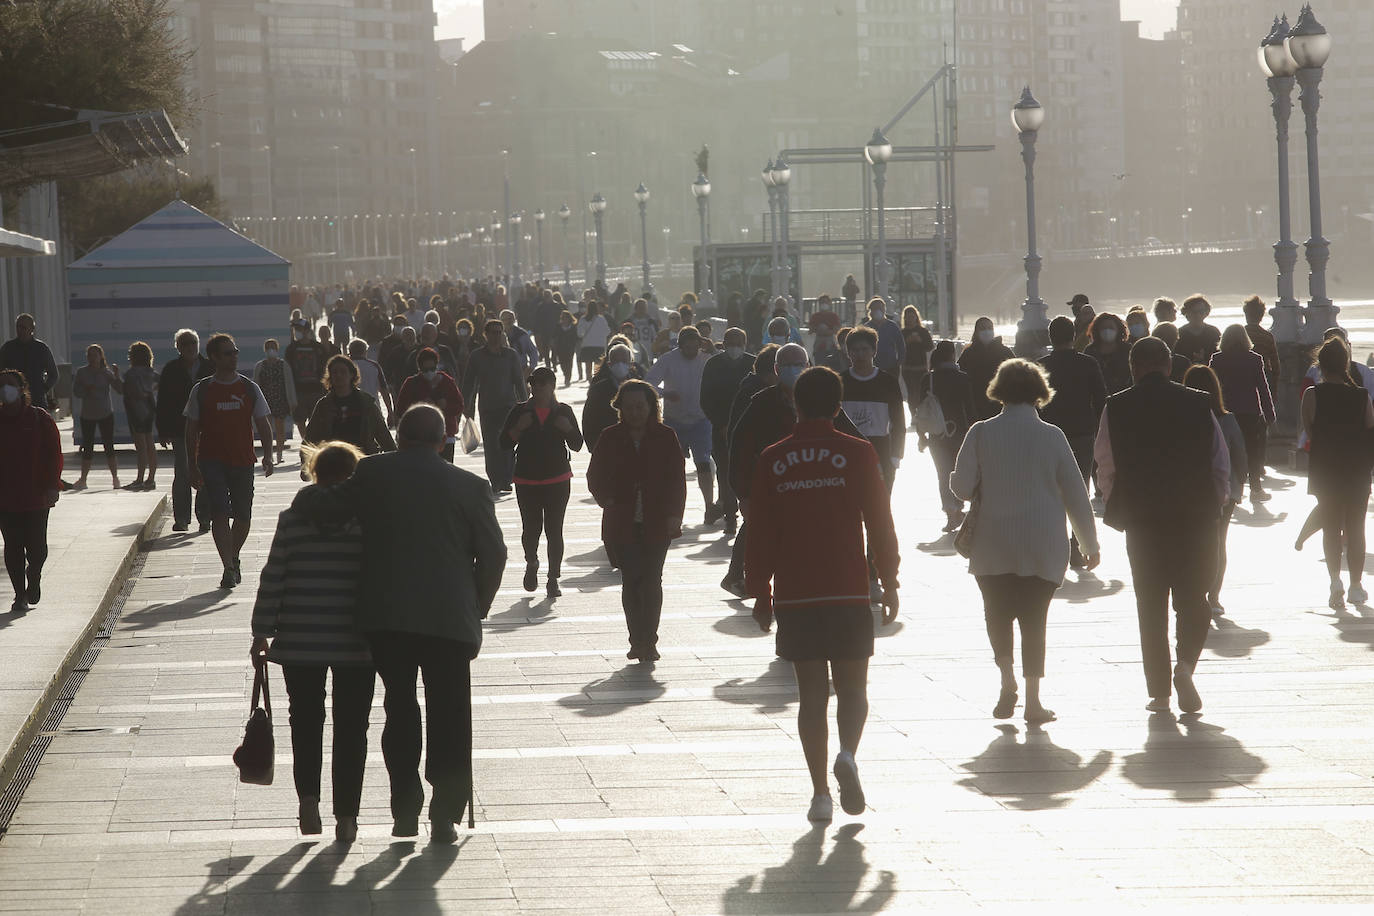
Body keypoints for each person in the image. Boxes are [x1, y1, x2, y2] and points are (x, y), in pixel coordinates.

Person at [293, 404, 506, 842]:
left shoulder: (371, 473)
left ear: (400, 436)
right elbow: (495, 555)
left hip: (387, 615)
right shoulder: (471, 485)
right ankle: (445, 811)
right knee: (450, 713)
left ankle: (404, 809)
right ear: (442, 440)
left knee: (400, 708)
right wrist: (478, 604)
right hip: (450, 618)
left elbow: (323, 506)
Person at [745, 366, 899, 823]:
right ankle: (848, 754)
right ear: (838, 406)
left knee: (812, 696)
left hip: (797, 593)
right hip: (848, 589)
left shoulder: (773, 458)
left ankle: (819, 796)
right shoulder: (857, 452)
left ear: (796, 403)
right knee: (854, 688)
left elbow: (761, 532)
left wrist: (760, 590)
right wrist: (888, 578)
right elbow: (879, 521)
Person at [951, 359, 1100, 724]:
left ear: (998, 390)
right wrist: (1089, 544)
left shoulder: (980, 433)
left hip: (992, 542)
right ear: (1039, 392)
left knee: (997, 614)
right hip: (1043, 542)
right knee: (1035, 620)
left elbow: (960, 488)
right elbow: (1076, 494)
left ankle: (1007, 680)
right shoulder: (1052, 436)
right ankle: (1033, 702)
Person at [1094, 338, 1229, 714]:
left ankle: (1159, 691)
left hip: (1143, 520)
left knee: (1150, 605)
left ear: (1134, 367)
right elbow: (1220, 462)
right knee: (1193, 599)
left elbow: (1106, 464)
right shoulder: (1199, 402)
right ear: (1169, 365)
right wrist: (1214, 503)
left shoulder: (1116, 406)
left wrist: (1116, 503)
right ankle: (1185, 667)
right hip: (1196, 517)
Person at [251, 440, 375, 844]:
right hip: (356, 640)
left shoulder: (293, 518)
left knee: (305, 722)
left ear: (315, 473)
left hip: (301, 639)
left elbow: (274, 575)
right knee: (352, 727)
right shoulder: (368, 518)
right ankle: (347, 816)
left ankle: (308, 799)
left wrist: (261, 631)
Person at [586, 380, 687, 662]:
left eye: (640, 407)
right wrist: (606, 498)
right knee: (631, 580)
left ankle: (649, 640)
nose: (635, 412)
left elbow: (677, 479)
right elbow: (595, 475)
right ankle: (635, 639)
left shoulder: (666, 437)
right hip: (622, 521)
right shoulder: (609, 437)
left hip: (658, 521)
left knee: (652, 579)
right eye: (629, 407)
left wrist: (674, 516)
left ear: (651, 407)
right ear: (620, 409)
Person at [186, 333, 276, 590]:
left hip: (243, 461)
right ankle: (227, 566)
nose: (234, 356)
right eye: (228, 353)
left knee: (243, 516)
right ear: (214, 357)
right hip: (212, 460)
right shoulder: (202, 390)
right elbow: (191, 430)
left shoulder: (248, 387)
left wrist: (268, 455)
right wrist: (192, 466)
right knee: (220, 513)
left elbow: (263, 424)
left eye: (235, 351)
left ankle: (233, 555)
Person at [1301, 337, 1374, 610]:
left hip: (1325, 468)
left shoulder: (1313, 395)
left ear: (1320, 365)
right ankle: (1356, 585)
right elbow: (1370, 429)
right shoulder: (1361, 395)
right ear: (1345, 363)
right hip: (1356, 469)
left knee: (1331, 527)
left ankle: (1335, 581)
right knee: (1356, 528)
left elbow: (1309, 430)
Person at [500, 366, 583, 598]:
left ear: (552, 386)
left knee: (554, 530)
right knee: (531, 529)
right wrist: (519, 428)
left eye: (542, 383)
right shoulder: (519, 412)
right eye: (534, 383)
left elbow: (577, 444)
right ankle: (532, 562)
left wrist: (567, 429)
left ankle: (553, 578)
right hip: (526, 479)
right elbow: (503, 443)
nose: (537, 388)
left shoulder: (563, 411)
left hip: (557, 479)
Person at [1039, 317, 1107, 564]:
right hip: (1082, 434)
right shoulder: (1088, 364)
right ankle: (1078, 545)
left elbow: (1036, 404)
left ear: (1050, 337)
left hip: (1050, 436)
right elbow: (1101, 400)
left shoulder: (1041, 366)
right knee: (1080, 489)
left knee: (1053, 489)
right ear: (1073, 335)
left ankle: (1056, 543)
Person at [1182, 366, 1246, 616]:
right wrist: (1241, 483)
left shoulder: (1182, 418)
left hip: (1191, 490)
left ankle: (1195, 588)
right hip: (1225, 489)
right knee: (1219, 541)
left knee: (1194, 540)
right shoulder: (1227, 419)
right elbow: (1240, 454)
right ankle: (1214, 595)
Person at [0, 369, 61, 613]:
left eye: (11, 385)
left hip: (36, 496)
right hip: (5, 498)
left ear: (23, 388)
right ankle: (19, 595)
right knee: (13, 546)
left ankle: (33, 576)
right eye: (2, 385)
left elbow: (54, 454)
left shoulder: (39, 419)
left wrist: (52, 486)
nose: (6, 389)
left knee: (38, 549)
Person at [646, 326, 716, 523]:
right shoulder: (668, 359)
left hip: (700, 420)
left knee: (703, 463)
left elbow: (724, 369)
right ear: (681, 345)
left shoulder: (707, 358)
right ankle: (670, 507)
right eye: (688, 346)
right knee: (673, 467)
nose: (692, 350)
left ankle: (709, 506)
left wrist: (714, 351)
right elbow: (648, 382)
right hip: (673, 421)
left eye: (696, 346)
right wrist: (664, 393)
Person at [1209, 325, 1275, 503]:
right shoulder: (1254, 359)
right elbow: (1263, 388)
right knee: (1252, 451)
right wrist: (1269, 413)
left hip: (1225, 411)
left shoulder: (1217, 359)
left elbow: (1211, 387)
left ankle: (1230, 488)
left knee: (1227, 450)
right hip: (1250, 412)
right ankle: (1255, 488)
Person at [699, 328, 754, 537]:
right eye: (730, 342)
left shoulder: (753, 364)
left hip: (750, 429)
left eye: (739, 342)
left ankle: (752, 515)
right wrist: (720, 424)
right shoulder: (713, 365)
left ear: (745, 343)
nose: (734, 347)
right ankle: (730, 518)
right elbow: (705, 399)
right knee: (726, 473)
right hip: (721, 430)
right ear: (723, 343)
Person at [158, 330, 212, 532]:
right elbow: (162, 401)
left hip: (206, 429)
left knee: (205, 471)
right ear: (178, 347)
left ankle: (205, 517)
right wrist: (162, 430)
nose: (190, 347)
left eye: (193, 343)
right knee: (182, 472)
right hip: (180, 429)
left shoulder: (209, 367)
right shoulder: (171, 369)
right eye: (186, 344)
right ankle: (181, 518)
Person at [839, 326, 905, 492]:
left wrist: (896, 456)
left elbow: (898, 421)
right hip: (848, 451)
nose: (860, 354)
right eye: (855, 350)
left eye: (864, 349)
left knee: (880, 506)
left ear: (874, 351)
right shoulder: (840, 382)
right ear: (848, 353)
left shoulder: (888, 382)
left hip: (881, 451)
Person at [918, 339, 975, 532]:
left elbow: (921, 411)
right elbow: (970, 409)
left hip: (936, 435)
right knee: (959, 472)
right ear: (953, 355)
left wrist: (921, 436)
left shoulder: (929, 379)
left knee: (943, 474)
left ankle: (951, 512)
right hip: (960, 433)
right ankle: (959, 507)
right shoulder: (963, 378)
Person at [462, 320, 526, 490]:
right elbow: (469, 383)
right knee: (491, 446)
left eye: (499, 332)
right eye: (493, 332)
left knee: (508, 444)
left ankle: (507, 479)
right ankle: (496, 480)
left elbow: (519, 382)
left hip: (509, 407)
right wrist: (466, 405)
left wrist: (525, 404)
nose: (496, 336)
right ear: (486, 334)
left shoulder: (510, 355)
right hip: (488, 407)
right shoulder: (477, 356)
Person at [306, 355, 396, 456]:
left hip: (363, 460)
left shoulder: (366, 403)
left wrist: (394, 460)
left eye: (343, 372)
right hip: (332, 462)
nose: (338, 375)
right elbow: (310, 439)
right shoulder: (324, 405)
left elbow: (383, 434)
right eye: (334, 372)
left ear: (352, 375)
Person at [71, 344, 123, 490]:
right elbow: (76, 392)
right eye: (89, 355)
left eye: (94, 355)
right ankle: (83, 479)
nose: (92, 358)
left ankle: (115, 478)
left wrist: (117, 376)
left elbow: (119, 390)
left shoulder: (106, 373)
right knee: (88, 446)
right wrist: (85, 389)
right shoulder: (81, 372)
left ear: (101, 357)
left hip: (105, 413)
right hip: (87, 414)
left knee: (109, 446)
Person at [582, 342, 641, 451]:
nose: (620, 365)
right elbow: (589, 420)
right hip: (608, 448)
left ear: (631, 364)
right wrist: (594, 447)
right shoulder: (599, 389)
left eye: (624, 361)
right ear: (609, 364)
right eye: (616, 361)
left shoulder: (641, 387)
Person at [959, 316, 1015, 421]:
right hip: (976, 403)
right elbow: (961, 376)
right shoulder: (968, 353)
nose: (987, 331)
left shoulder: (1005, 351)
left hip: (1000, 402)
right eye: (983, 328)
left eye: (989, 328)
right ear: (976, 331)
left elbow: (1015, 373)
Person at [0, 314, 59, 412]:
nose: (20, 330)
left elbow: (53, 374)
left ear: (32, 329)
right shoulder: (8, 348)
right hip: (13, 399)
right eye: (18, 327)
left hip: (36, 398)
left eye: (23, 327)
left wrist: (43, 389)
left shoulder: (41, 349)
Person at [122, 342, 159, 490]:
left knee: (140, 446)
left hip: (136, 410)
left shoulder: (131, 374)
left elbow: (127, 391)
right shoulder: (150, 372)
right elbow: (161, 380)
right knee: (150, 443)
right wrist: (150, 391)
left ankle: (139, 478)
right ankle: (150, 478)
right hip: (149, 408)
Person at [254, 339, 297, 466]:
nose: (270, 350)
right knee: (267, 429)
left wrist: (292, 401)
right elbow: (256, 384)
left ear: (277, 349)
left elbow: (289, 384)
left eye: (273, 347)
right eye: (268, 347)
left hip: (280, 400)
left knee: (280, 429)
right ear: (265, 350)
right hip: (265, 401)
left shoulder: (283, 365)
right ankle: (269, 455)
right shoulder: (260, 365)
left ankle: (279, 454)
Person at [285, 319, 330, 436]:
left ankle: (313, 441)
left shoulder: (318, 348)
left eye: (299, 329)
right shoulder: (291, 349)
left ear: (307, 331)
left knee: (315, 420)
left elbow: (326, 369)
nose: (296, 332)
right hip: (298, 391)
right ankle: (305, 442)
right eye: (295, 330)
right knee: (300, 420)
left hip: (316, 391)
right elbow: (288, 371)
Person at [347, 337, 395, 426]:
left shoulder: (345, 366)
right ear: (365, 351)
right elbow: (384, 390)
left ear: (350, 351)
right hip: (373, 409)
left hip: (349, 411)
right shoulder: (374, 366)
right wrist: (390, 412)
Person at [1083, 313, 1132, 396]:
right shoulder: (1090, 351)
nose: (1107, 330)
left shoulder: (1127, 350)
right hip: (1097, 397)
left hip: (1124, 397)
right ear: (1097, 330)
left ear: (1118, 330)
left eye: (1111, 328)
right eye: (1103, 328)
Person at [900, 305, 934, 421]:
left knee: (921, 392)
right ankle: (913, 414)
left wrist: (920, 341)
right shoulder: (902, 333)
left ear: (916, 317)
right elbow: (898, 349)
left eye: (912, 316)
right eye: (908, 316)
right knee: (911, 392)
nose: (910, 318)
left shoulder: (923, 332)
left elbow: (930, 346)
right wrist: (907, 342)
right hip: (907, 368)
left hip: (921, 367)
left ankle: (922, 413)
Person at [1243, 295, 1280, 395]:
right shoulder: (1267, 336)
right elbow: (1275, 365)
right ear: (1261, 316)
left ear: (1246, 314)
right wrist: (1274, 388)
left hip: (1243, 374)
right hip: (1264, 375)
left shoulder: (1241, 334)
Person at [863, 298, 906, 376]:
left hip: (891, 367)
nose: (878, 310)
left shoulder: (892, 326)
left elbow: (901, 345)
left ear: (884, 310)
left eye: (880, 308)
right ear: (870, 311)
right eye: (875, 308)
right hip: (872, 368)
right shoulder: (866, 327)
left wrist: (899, 362)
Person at [1177, 294, 1221, 364]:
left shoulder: (1213, 332)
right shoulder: (1179, 333)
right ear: (1186, 312)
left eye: (1201, 311)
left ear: (1206, 313)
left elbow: (1219, 355)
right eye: (1193, 312)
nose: (1197, 315)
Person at [577, 301, 612, 382]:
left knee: (588, 367)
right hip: (599, 346)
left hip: (587, 346)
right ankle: (596, 382)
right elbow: (608, 332)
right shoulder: (601, 319)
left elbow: (579, 334)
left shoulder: (583, 319)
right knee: (597, 368)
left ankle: (590, 382)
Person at [501, 309, 541, 376]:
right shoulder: (497, 335)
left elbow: (532, 351)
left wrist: (531, 367)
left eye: (510, 318)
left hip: (521, 369)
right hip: (503, 370)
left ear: (514, 319)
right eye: (504, 319)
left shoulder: (521, 334)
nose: (507, 321)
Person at [553, 310, 580, 387]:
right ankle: (565, 374)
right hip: (560, 347)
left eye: (566, 317)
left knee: (569, 363)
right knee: (562, 363)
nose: (564, 319)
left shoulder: (573, 327)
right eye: (563, 317)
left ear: (569, 318)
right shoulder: (558, 326)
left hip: (570, 348)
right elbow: (554, 336)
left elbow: (576, 337)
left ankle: (568, 378)